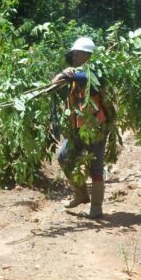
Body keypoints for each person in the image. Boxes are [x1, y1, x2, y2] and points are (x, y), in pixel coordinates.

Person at [52, 37, 108, 219]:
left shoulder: (97, 71)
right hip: (76, 127)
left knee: (96, 168)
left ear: (87, 55)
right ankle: (81, 194)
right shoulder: (75, 73)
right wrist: (65, 76)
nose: (74, 57)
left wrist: (69, 74)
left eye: (77, 54)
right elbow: (56, 82)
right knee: (63, 157)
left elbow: (94, 79)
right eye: (74, 54)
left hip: (95, 127)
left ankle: (96, 208)